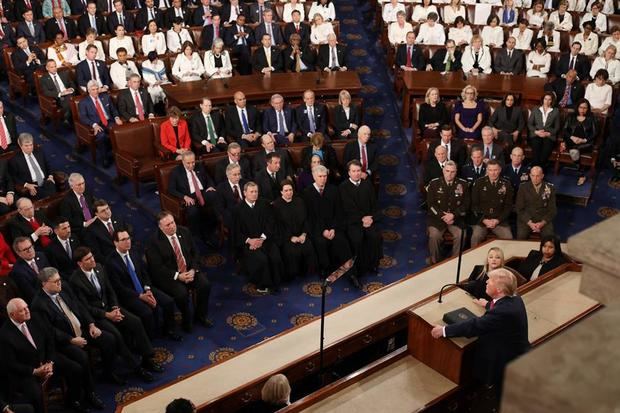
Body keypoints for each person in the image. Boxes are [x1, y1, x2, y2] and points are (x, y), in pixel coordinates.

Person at [431, 269, 530, 396]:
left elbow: (475, 326)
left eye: (491, 281)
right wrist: (488, 304)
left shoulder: (503, 312)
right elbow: (500, 307)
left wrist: (444, 330)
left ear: (499, 290)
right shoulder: (515, 298)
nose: (487, 281)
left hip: (506, 364)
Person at [70, 246, 162, 382]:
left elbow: (110, 290)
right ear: (80, 263)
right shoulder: (75, 280)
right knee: (116, 335)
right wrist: (107, 315)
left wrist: (115, 307)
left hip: (111, 308)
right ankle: (137, 368)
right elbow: (85, 307)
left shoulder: (99, 268)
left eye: (92, 256)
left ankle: (147, 357)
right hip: (98, 316)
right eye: (88, 259)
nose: (92, 260)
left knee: (136, 322)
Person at [31, 267, 120, 396]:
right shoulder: (38, 304)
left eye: (59, 280)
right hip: (64, 340)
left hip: (81, 329)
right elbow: (49, 331)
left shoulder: (64, 289)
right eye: (55, 281)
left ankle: (108, 372)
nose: (59, 283)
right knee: (82, 357)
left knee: (109, 339)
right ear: (44, 283)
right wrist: (71, 340)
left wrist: (91, 324)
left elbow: (79, 306)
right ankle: (90, 392)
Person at [0, 298, 93, 413]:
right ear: (12, 315)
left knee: (76, 369)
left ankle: (73, 401)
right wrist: (35, 371)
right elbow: (11, 364)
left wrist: (49, 362)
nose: (27, 311)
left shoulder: (35, 317)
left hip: (46, 360)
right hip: (27, 372)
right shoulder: (4, 335)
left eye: (27, 307)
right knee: (36, 395)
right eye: (22, 310)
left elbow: (49, 339)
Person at [105, 230, 181, 340]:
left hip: (143, 288)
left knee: (168, 302)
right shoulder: (111, 262)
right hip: (130, 295)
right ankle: (149, 339)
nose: (128, 242)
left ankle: (170, 330)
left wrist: (148, 289)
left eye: (128, 238)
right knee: (147, 312)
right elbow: (119, 288)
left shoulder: (134, 251)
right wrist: (140, 296)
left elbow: (144, 272)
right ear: (115, 243)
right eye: (123, 240)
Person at [145, 212, 212, 332]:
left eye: (172, 222)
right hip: (171, 277)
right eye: (167, 225)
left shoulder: (184, 231)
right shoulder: (154, 242)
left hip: (189, 270)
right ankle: (187, 320)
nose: (172, 226)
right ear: (160, 227)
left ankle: (201, 316)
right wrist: (178, 276)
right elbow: (157, 268)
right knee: (181, 294)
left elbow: (195, 253)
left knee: (205, 285)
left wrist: (193, 270)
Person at [232, 182, 283, 293]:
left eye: (256, 191)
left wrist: (262, 238)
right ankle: (263, 284)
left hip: (265, 239)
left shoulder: (265, 204)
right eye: (252, 192)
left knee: (275, 256)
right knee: (262, 259)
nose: (254, 194)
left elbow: (271, 223)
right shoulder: (238, 209)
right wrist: (250, 240)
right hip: (248, 244)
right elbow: (236, 231)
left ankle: (276, 283)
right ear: (245, 193)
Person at [303, 165, 353, 277]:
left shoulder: (333, 190)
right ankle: (325, 270)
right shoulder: (307, 193)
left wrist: (333, 229)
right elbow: (309, 217)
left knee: (342, 240)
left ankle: (350, 272)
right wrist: (323, 231)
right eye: (320, 176)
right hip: (317, 229)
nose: (323, 179)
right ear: (314, 176)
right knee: (321, 243)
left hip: (333, 227)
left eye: (325, 176)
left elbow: (339, 212)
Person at [339, 160, 382, 284]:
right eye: (354, 171)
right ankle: (357, 270)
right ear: (349, 173)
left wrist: (371, 218)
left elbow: (374, 204)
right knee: (356, 239)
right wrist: (361, 219)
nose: (357, 174)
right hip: (353, 222)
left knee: (375, 236)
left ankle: (373, 264)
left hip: (368, 219)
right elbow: (348, 208)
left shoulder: (367, 184)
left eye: (359, 171)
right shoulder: (343, 187)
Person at [167, 151, 219, 243]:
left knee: (215, 196)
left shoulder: (200, 166)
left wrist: (211, 186)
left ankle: (216, 227)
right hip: (189, 196)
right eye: (188, 163)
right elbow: (171, 189)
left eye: (193, 162)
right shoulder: (176, 172)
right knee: (193, 211)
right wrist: (184, 197)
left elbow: (208, 179)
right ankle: (197, 235)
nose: (191, 165)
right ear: (183, 161)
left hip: (203, 192)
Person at [426, 160, 470, 264]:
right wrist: (443, 216)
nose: (449, 174)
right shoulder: (434, 183)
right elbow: (431, 205)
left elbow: (466, 204)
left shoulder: (463, 184)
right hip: (437, 219)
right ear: (443, 171)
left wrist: (453, 215)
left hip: (456, 219)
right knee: (434, 236)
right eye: (447, 171)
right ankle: (435, 262)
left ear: (456, 172)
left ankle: (454, 262)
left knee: (461, 234)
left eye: (452, 172)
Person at [272, 181, 317, 280]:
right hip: (286, 237)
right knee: (292, 251)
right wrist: (290, 237)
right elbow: (278, 226)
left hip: (301, 235)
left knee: (308, 247)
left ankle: (305, 272)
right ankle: (293, 274)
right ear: (281, 192)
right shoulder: (276, 205)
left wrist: (304, 234)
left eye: (290, 190)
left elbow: (306, 219)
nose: (289, 192)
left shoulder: (299, 201)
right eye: (286, 190)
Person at [78, 80, 123, 167]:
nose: (95, 91)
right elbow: (83, 117)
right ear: (89, 90)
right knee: (101, 136)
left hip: (108, 121)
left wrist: (117, 118)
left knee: (120, 131)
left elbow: (113, 110)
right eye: (93, 90)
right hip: (96, 124)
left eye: (97, 89)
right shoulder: (83, 102)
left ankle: (121, 156)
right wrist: (94, 125)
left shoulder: (106, 97)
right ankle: (105, 158)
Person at [470, 160, 514, 246]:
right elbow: (474, 205)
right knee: (476, 237)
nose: (493, 173)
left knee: (509, 238)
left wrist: (497, 220)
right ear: (487, 170)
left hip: (499, 221)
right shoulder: (479, 183)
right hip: (482, 221)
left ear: (500, 170)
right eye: (490, 170)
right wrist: (484, 220)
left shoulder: (506, 184)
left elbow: (508, 206)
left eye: (495, 170)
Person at [9, 134, 56, 200]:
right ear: (20, 145)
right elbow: (14, 177)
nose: (29, 148)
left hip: (46, 181)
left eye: (31, 145)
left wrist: (50, 176)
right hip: (33, 185)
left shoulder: (39, 152)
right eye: (26, 146)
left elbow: (48, 165)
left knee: (54, 195)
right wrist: (26, 185)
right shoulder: (15, 160)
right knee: (48, 198)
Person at [561, 99, 597, 186]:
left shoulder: (591, 118)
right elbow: (565, 130)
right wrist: (572, 137)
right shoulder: (571, 116)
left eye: (585, 108)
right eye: (581, 107)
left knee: (574, 150)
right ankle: (582, 175)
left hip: (585, 143)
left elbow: (595, 133)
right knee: (574, 150)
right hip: (572, 141)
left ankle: (581, 175)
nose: (582, 110)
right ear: (577, 107)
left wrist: (583, 140)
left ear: (588, 109)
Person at [515, 166, 556, 239]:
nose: (535, 178)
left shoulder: (550, 188)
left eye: (537, 176)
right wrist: (530, 223)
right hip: (526, 220)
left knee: (549, 238)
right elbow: (519, 208)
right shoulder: (523, 187)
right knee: (521, 237)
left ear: (542, 176)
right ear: (530, 175)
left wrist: (542, 223)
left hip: (543, 220)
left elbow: (552, 210)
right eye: (533, 176)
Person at [9, 236, 51, 302]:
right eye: (25, 249)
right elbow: (31, 294)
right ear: (18, 253)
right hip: (41, 300)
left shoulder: (41, 255)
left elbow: (51, 274)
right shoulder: (17, 272)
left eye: (30, 247)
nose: (30, 250)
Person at [59, 173, 96, 241]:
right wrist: (84, 224)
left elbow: (94, 203)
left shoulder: (87, 191)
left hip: (94, 222)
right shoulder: (66, 201)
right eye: (79, 185)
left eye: (83, 183)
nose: (82, 186)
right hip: (81, 229)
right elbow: (68, 220)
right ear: (71, 186)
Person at [527, 92, 560, 167]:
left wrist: (549, 133)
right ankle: (535, 170)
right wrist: (536, 132)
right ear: (543, 99)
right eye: (545, 99)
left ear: (552, 101)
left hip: (549, 136)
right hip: (536, 134)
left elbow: (557, 127)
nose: (547, 101)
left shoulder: (555, 111)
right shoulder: (536, 109)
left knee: (545, 153)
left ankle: (539, 169)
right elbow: (529, 124)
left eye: (549, 99)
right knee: (536, 150)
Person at [215, 164, 246, 229]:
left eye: (239, 174)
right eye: (235, 175)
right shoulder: (221, 188)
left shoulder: (245, 183)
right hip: (231, 216)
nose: (238, 177)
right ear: (228, 176)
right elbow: (221, 208)